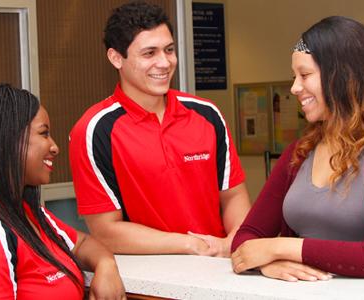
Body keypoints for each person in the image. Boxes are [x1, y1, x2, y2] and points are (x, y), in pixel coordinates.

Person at [229, 16, 364, 281]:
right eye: (294, 76)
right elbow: (245, 239)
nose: (295, 87)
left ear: (343, 77)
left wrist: (278, 248)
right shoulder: (299, 152)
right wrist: (268, 265)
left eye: (305, 75)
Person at [69, 1, 251, 258]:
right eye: (149, 53)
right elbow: (105, 231)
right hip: (149, 284)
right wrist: (190, 245)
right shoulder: (94, 130)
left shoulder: (207, 114)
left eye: (169, 50)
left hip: (218, 270)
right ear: (116, 58)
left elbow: (232, 195)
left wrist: (233, 241)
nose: (165, 62)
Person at [0, 84, 125, 299]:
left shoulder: (28, 213)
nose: (54, 147)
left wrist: (106, 264)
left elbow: (83, 243)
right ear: (8, 140)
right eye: (44, 133)